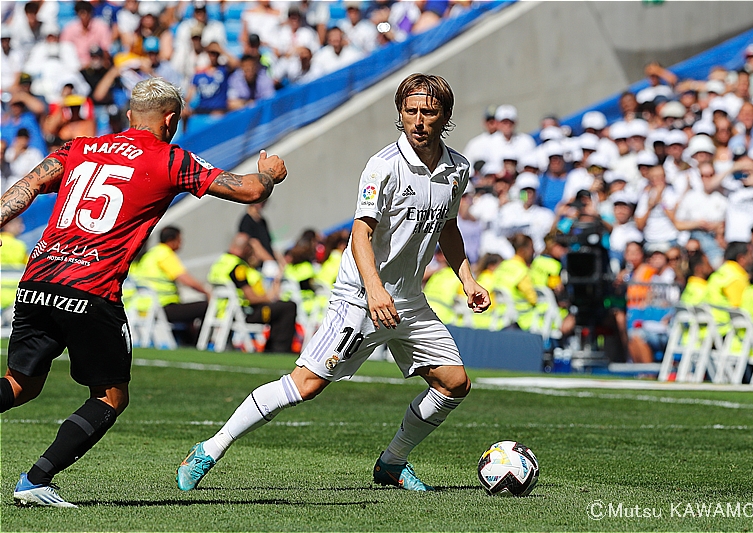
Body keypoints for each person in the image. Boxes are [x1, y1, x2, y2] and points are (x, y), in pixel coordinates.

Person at [175, 73, 490, 493]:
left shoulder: (457, 169)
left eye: (428, 112)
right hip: (361, 299)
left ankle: (392, 463)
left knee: (455, 383)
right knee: (305, 386)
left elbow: (447, 228)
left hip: (408, 302)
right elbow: (360, 233)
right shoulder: (384, 166)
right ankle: (209, 449)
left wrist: (467, 279)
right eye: (410, 111)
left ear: (445, 116)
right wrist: (374, 290)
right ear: (399, 113)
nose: (418, 120)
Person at [0, 77, 288, 508]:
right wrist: (268, 174)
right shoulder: (171, 159)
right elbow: (249, 190)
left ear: (130, 115)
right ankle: (36, 479)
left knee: (19, 384)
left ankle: (37, 480)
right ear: (171, 120)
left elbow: (25, 188)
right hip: (89, 291)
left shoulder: (78, 147)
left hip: (38, 280)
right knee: (111, 396)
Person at [207, 233, 297, 353]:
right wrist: (269, 297)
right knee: (288, 307)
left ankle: (272, 347)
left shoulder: (221, 261)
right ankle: (279, 349)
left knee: (280, 308)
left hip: (221, 311)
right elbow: (251, 298)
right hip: (243, 313)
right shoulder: (238, 267)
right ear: (246, 249)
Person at [133, 225, 210, 346]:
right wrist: (206, 292)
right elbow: (185, 279)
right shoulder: (165, 254)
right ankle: (199, 344)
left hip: (144, 307)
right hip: (163, 306)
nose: (181, 243)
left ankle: (187, 341)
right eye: (180, 239)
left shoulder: (150, 254)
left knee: (188, 310)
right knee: (207, 306)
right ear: (172, 240)